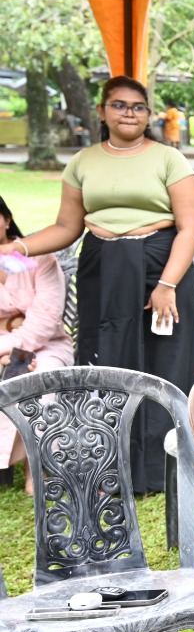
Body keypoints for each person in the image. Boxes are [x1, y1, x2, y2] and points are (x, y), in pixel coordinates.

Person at [0, 75, 194, 494]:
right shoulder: (83, 162)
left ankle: (159, 468)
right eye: (119, 105)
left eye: (138, 107)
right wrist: (16, 247)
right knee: (107, 359)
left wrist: (167, 284)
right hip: (103, 269)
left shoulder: (169, 159)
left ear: (148, 114)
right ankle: (111, 465)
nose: (129, 113)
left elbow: (190, 226)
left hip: (160, 267)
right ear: (102, 111)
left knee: (162, 362)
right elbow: (66, 226)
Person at [0, 194, 76, 494]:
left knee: (42, 378)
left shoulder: (37, 258)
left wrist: (9, 348)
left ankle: (39, 467)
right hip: (4, 348)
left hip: (47, 345)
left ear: (7, 219)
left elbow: (44, 321)